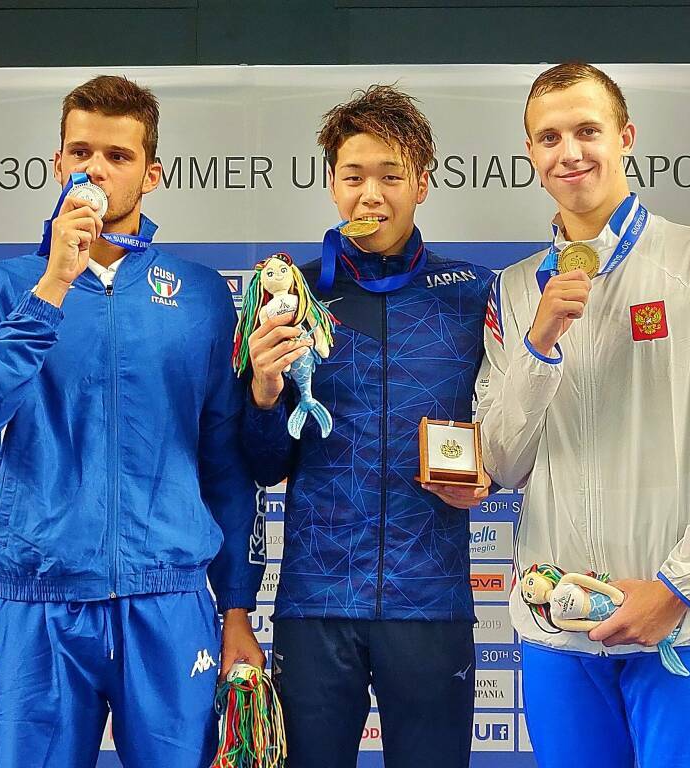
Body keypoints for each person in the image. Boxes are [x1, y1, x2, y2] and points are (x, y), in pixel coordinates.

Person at [0, 75, 264, 768]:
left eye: (117, 156)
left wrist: (236, 609)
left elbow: (227, 467)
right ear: (57, 163)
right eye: (80, 151)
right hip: (42, 602)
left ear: (151, 174)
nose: (95, 168)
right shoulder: (1, 288)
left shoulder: (204, 296)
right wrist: (54, 281)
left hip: (170, 601)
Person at [477, 62, 690, 768]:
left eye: (588, 130)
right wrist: (538, 343)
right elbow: (500, 460)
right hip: (557, 628)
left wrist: (677, 589)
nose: (570, 152)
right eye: (549, 137)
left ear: (626, 137)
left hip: (678, 625)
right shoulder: (515, 289)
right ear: (531, 154)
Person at [241, 85, 493, 768]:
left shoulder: (473, 293)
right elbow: (263, 464)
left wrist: (490, 474)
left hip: (431, 603)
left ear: (424, 184)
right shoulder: (289, 292)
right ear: (331, 185)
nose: (371, 195)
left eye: (391, 176)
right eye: (354, 177)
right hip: (317, 600)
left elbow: (512, 425)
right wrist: (264, 389)